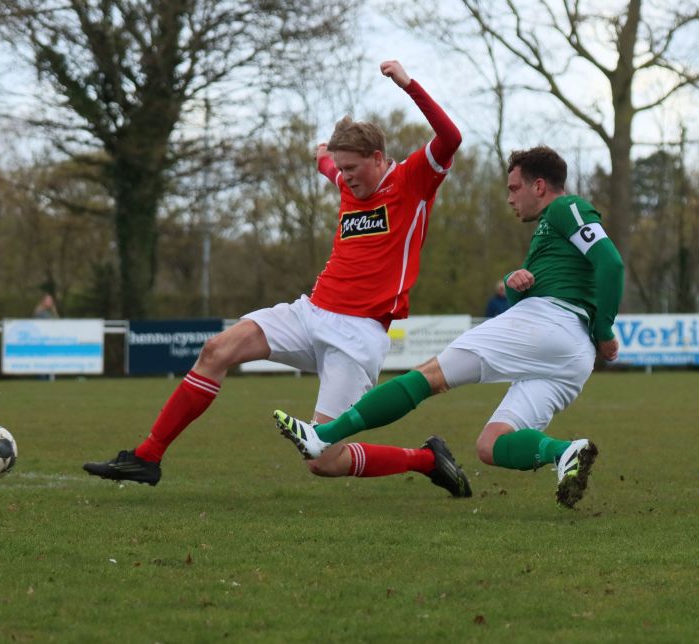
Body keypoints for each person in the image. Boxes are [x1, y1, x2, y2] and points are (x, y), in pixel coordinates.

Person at [84, 60, 470, 496]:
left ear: (378, 158)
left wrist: (408, 84)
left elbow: (451, 138)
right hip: (311, 312)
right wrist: (324, 156)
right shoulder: (347, 183)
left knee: (323, 462)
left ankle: (426, 460)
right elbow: (329, 165)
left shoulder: (414, 180)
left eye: (353, 169)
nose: (345, 178)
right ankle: (147, 457)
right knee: (216, 350)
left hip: (359, 335)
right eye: (340, 170)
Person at [274, 146, 624, 509]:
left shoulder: (566, 209)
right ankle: (565, 452)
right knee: (491, 445)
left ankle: (322, 435)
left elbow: (610, 263)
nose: (509, 198)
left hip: (553, 324)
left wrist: (604, 329)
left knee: (430, 376)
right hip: (572, 356)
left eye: (513, 188)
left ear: (539, 186)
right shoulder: (550, 234)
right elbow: (552, 285)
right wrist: (513, 280)